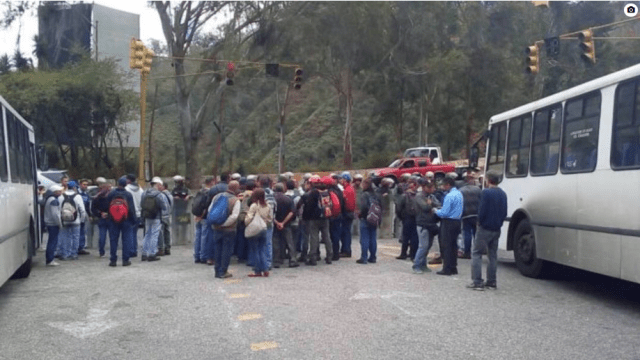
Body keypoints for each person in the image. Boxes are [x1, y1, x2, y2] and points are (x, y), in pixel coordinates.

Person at [467, 170, 508, 291]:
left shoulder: (486, 192)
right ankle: (492, 281)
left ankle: (477, 281)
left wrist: (479, 222)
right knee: (493, 255)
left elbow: (482, 210)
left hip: (485, 227)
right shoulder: (503, 193)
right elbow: (504, 212)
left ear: (488, 180)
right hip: (496, 228)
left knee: (477, 253)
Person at [211, 180, 241, 279]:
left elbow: (210, 210)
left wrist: (216, 223)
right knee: (226, 250)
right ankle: (223, 271)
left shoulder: (217, 197)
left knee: (217, 249)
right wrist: (225, 224)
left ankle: (216, 270)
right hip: (229, 230)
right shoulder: (235, 200)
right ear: (236, 188)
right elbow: (234, 216)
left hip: (216, 227)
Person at [434, 177, 463, 276]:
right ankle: (453, 267)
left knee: (446, 245)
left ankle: (446, 268)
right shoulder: (459, 194)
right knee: (454, 245)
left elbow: (444, 212)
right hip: (457, 221)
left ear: (448, 185)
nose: (442, 187)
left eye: (443, 185)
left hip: (448, 222)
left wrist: (435, 211)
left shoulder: (449, 196)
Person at [106, 176, 138, 267]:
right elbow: (131, 209)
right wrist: (133, 220)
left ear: (117, 184)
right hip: (126, 220)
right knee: (126, 240)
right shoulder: (128, 194)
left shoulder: (111, 194)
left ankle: (113, 260)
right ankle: (125, 260)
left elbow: (107, 206)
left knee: (113, 240)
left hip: (113, 220)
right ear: (126, 184)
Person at [412, 179, 441, 274]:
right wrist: (430, 204)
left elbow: (439, 205)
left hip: (431, 224)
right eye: (430, 187)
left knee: (428, 246)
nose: (432, 189)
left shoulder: (431, 196)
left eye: (433, 187)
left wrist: (431, 204)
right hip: (422, 224)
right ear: (424, 187)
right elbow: (425, 207)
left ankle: (423, 264)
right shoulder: (419, 196)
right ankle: (416, 265)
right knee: (423, 246)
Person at [245, 188, 273, 277]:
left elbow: (249, 218)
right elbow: (270, 218)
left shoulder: (254, 205)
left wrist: (246, 223)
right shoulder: (268, 205)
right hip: (264, 228)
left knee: (255, 250)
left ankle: (257, 271)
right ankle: (265, 269)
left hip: (255, 229)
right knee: (262, 249)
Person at [140, 177, 169, 262]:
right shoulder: (159, 195)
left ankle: (144, 253)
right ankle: (152, 254)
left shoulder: (145, 193)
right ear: (157, 185)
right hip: (156, 216)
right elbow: (164, 207)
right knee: (154, 235)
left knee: (147, 234)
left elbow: (142, 204)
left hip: (147, 216)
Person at [206, 172, 230, 265]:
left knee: (211, 236)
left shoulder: (213, 188)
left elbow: (207, 202)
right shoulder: (230, 188)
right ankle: (222, 258)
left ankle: (210, 258)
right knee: (225, 239)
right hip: (226, 215)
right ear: (228, 178)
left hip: (213, 214)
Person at [273, 183, 299, 268]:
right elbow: (292, 212)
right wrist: (283, 223)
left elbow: (269, 213)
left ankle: (277, 260)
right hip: (286, 224)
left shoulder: (272, 199)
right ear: (283, 189)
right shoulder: (288, 199)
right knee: (289, 241)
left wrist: (277, 222)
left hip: (274, 223)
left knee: (275, 242)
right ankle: (292, 260)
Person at [59, 181, 86, 260]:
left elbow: (59, 209)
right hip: (75, 220)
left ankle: (65, 254)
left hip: (64, 220)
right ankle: (74, 254)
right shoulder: (78, 196)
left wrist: (60, 220)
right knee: (75, 237)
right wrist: (82, 220)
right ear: (74, 188)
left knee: (65, 237)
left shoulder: (61, 196)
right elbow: (82, 210)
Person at [356, 177, 380, 264]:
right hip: (374, 218)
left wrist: (360, 214)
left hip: (366, 218)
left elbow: (364, 207)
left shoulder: (364, 194)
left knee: (364, 238)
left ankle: (364, 257)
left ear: (366, 185)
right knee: (373, 238)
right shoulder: (376, 194)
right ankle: (373, 257)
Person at [459, 171, 482, 259]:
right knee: (476, 233)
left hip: (466, 214)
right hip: (476, 214)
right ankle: (478, 251)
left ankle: (467, 252)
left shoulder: (461, 191)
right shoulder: (478, 189)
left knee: (467, 233)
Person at [396, 177, 419, 261]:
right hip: (416, 218)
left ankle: (403, 253)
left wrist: (401, 217)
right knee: (414, 236)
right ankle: (413, 254)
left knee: (405, 236)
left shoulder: (404, 195)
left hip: (406, 218)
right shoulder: (418, 195)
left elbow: (399, 208)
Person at [193, 176, 215, 264]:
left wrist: (197, 215)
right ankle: (203, 256)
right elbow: (207, 206)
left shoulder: (200, 192)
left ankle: (196, 255)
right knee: (204, 237)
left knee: (197, 236)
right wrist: (202, 215)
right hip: (204, 216)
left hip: (197, 215)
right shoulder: (209, 193)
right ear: (211, 182)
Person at [91, 179, 112, 257]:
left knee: (102, 236)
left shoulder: (97, 197)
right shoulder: (111, 196)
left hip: (102, 218)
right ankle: (112, 250)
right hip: (110, 218)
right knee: (112, 236)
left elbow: (93, 209)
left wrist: (100, 214)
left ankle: (101, 251)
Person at [44, 184, 64, 266]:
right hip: (53, 224)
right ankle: (50, 259)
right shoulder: (54, 201)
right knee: (53, 242)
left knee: (51, 241)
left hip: (50, 223)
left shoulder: (49, 199)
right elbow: (55, 214)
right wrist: (59, 223)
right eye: (59, 191)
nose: (60, 192)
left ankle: (49, 258)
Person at [125, 174, 143, 258]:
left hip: (130, 213)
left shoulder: (127, 189)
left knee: (129, 233)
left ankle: (131, 250)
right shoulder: (140, 189)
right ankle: (135, 250)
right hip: (138, 214)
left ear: (128, 180)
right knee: (134, 233)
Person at [339, 172, 356, 258]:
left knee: (345, 233)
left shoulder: (347, 190)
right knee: (346, 232)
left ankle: (346, 250)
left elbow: (347, 204)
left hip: (347, 213)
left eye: (341, 179)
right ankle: (345, 249)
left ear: (345, 180)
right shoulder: (350, 188)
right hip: (349, 213)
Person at [158, 183, 174, 256]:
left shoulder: (161, 195)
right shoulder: (170, 195)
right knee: (167, 231)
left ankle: (161, 248)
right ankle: (168, 247)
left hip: (162, 215)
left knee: (161, 232)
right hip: (168, 215)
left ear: (163, 187)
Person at [77, 179, 92, 255]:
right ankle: (76, 247)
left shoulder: (86, 194)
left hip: (84, 215)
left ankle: (81, 247)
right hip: (77, 215)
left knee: (82, 231)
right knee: (77, 232)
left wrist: (89, 215)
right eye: (84, 184)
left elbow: (87, 206)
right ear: (80, 184)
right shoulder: (76, 193)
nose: (85, 186)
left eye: (86, 184)